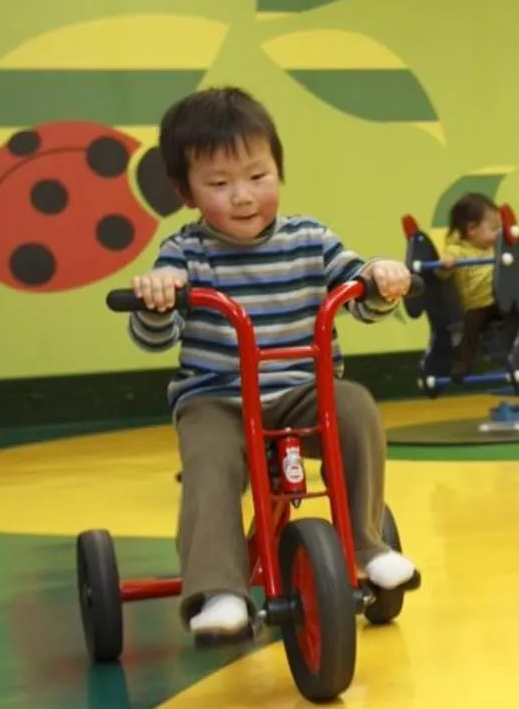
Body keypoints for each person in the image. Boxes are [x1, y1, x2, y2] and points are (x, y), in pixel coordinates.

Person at [125, 86, 417, 640]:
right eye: (218, 183)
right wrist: (159, 295)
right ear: (185, 192)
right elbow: (152, 337)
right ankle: (219, 590)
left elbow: (360, 289)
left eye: (257, 177)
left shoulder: (310, 239)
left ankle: (364, 546)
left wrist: (382, 278)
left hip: (301, 388)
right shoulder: (185, 254)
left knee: (356, 408)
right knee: (209, 464)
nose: (242, 196)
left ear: (278, 171)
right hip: (219, 399)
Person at [435, 192, 504, 381]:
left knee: (517, 315)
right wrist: (445, 265)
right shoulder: (457, 251)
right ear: (472, 229)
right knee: (470, 333)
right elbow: (441, 273)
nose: (498, 233)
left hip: (499, 299)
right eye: (493, 228)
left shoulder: (496, 248)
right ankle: (462, 365)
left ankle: (512, 356)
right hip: (477, 306)